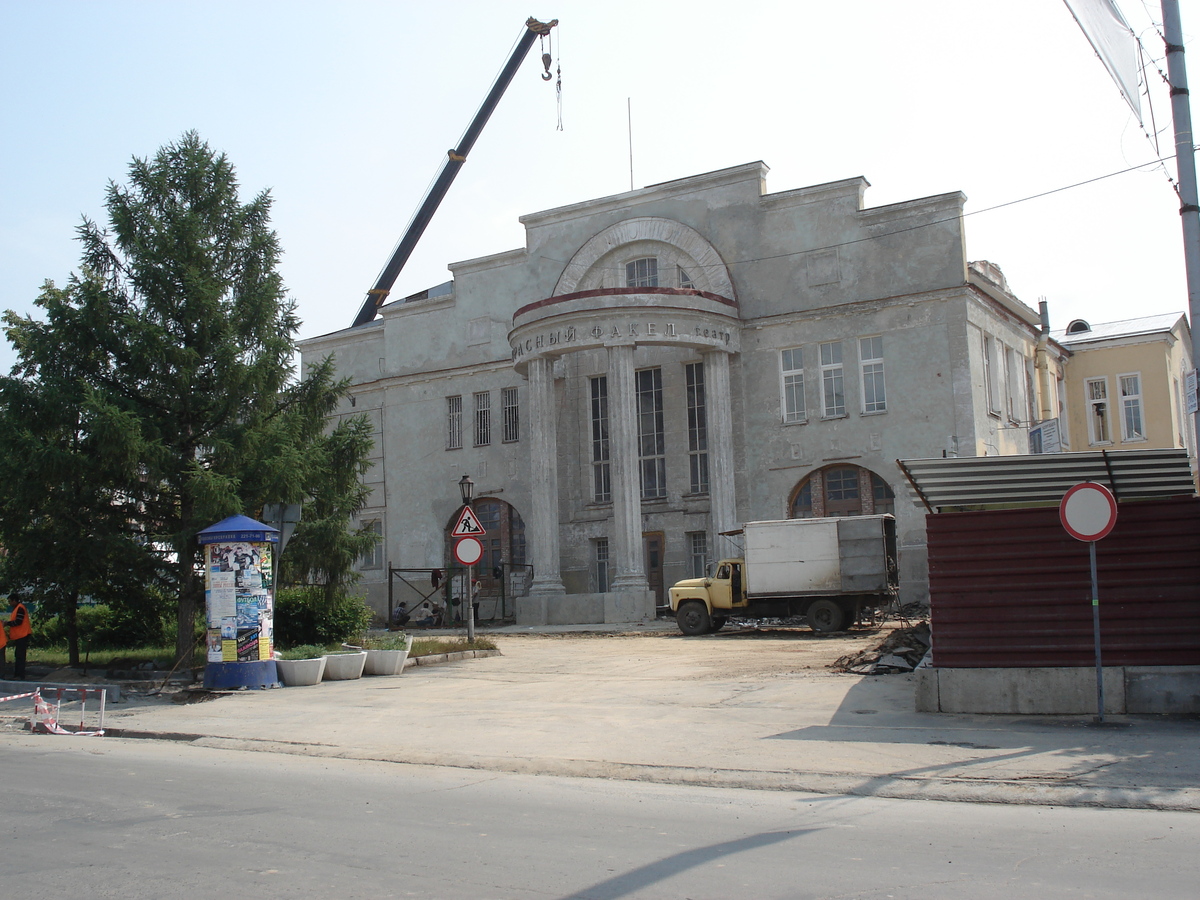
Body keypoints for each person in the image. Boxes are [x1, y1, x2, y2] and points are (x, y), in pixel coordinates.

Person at [7, 594, 31, 680]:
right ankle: (18, 674)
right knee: (18, 655)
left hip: (22, 635)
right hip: (20, 635)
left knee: (20, 656)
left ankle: (20, 675)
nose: (9, 603)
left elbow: (18, 622)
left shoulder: (20, 608)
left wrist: (6, 623)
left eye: (10, 601)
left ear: (14, 600)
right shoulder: (17, 608)